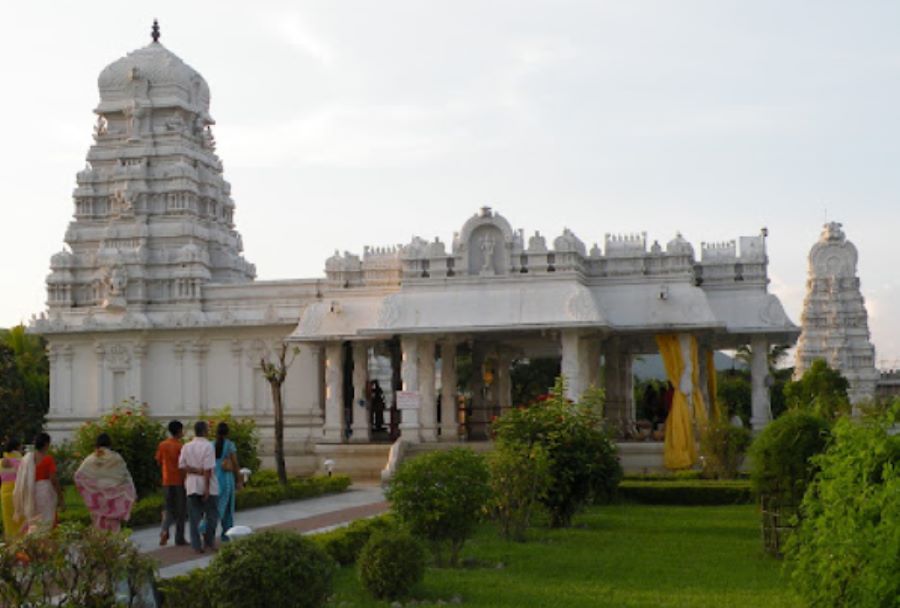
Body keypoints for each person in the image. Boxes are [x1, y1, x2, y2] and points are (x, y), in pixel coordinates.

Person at [73, 433, 136, 532]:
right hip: (114, 496)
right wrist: (130, 493)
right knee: (113, 521)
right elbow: (125, 477)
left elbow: (78, 476)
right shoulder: (116, 457)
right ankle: (114, 543)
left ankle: (100, 544)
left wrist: (94, 489)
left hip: (98, 497)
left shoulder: (91, 458)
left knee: (98, 521)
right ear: (109, 443)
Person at [178, 421, 219, 553]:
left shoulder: (186, 446)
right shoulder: (208, 446)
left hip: (191, 485)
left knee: (194, 517)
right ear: (205, 431)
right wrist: (206, 488)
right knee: (212, 515)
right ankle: (209, 541)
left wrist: (195, 471)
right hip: (208, 486)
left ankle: (196, 545)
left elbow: (182, 466)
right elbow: (208, 469)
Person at [13, 432, 63, 533]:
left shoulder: (27, 459)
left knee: (34, 520)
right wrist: (60, 495)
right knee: (47, 520)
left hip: (32, 492)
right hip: (45, 493)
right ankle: (45, 543)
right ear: (46, 444)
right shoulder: (48, 459)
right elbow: (53, 479)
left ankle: (32, 542)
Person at [155, 420, 187, 546]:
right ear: (179, 431)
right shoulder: (180, 447)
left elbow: (158, 461)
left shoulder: (162, 445)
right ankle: (179, 538)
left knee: (168, 508)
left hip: (166, 481)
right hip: (179, 481)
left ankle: (164, 530)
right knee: (181, 511)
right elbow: (183, 465)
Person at [210, 422, 242, 542]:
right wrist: (239, 480)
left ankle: (207, 530)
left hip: (215, 478)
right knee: (227, 508)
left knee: (215, 507)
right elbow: (235, 464)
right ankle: (225, 534)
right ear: (227, 432)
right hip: (227, 479)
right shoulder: (229, 445)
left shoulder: (211, 444)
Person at [1, 437, 24, 540]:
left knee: (9, 521)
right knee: (21, 521)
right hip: (18, 493)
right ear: (17, 447)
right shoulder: (21, 462)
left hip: (5, 494)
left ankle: (10, 546)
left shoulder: (1, 462)